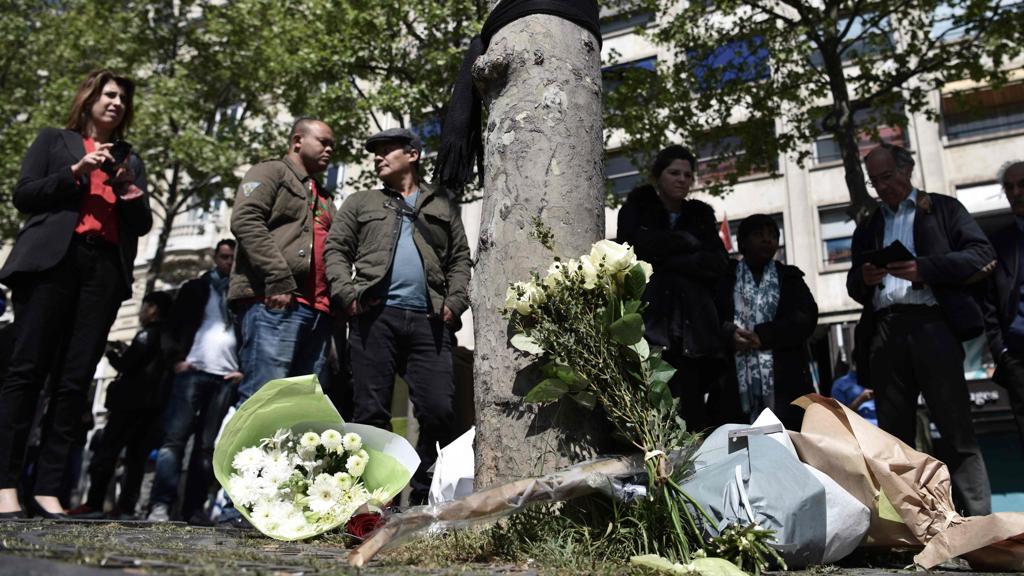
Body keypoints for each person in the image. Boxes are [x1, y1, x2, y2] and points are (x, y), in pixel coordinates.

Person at [0, 69, 152, 519]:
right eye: (109, 94)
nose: (116, 102)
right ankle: (5, 485)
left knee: (74, 382)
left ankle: (48, 490)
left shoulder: (131, 160)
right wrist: (74, 172)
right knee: (26, 374)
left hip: (102, 272)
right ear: (88, 99)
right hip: (52, 264)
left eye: (122, 97)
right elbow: (24, 195)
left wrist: (123, 182)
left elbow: (141, 224)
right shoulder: (55, 141)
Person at [324, 127, 472, 504]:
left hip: (429, 321)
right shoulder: (360, 202)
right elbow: (336, 250)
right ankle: (372, 502)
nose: (378, 158)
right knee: (370, 413)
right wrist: (348, 295)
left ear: (413, 155)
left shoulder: (442, 205)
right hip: (375, 317)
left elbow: (459, 261)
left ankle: (421, 498)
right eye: (375, 153)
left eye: (387, 151)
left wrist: (454, 303)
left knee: (439, 410)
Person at [847, 142, 994, 516]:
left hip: (933, 327)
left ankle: (979, 523)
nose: (882, 187)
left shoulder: (943, 208)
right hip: (884, 332)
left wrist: (925, 268)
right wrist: (864, 278)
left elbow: (981, 254)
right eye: (875, 181)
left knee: (956, 429)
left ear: (907, 168)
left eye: (888, 177)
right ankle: (905, 526)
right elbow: (854, 286)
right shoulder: (869, 224)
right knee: (892, 438)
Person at [616, 145, 729, 433]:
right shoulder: (635, 210)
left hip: (694, 330)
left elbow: (717, 263)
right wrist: (687, 244)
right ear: (658, 176)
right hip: (652, 323)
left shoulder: (701, 216)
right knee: (655, 407)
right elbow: (633, 251)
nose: (682, 180)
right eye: (674, 173)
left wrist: (667, 255)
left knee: (694, 412)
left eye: (688, 175)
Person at [229, 118, 336, 403]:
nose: (329, 151)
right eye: (323, 142)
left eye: (332, 146)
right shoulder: (270, 171)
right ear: (297, 141)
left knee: (299, 412)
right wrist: (277, 278)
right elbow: (245, 221)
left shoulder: (325, 197)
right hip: (276, 303)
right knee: (264, 402)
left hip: (318, 312)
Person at [146, 239, 243, 523]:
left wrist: (242, 370)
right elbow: (172, 326)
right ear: (216, 258)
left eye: (233, 258)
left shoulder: (241, 295)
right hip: (192, 372)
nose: (228, 262)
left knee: (207, 447)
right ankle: (161, 504)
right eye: (224, 257)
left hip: (225, 377)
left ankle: (194, 509)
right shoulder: (195, 289)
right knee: (173, 442)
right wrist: (175, 360)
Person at [68, 291, 173, 519]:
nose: (141, 311)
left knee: (107, 452)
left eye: (144, 306)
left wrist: (111, 354)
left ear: (153, 308)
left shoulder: (147, 335)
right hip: (151, 407)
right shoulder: (168, 336)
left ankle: (94, 503)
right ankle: (126, 507)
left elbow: (128, 366)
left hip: (130, 404)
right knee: (136, 459)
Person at [713, 214, 818, 429]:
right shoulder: (724, 279)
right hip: (734, 385)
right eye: (759, 235)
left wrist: (763, 336)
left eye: (772, 235)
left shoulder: (789, 278)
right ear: (742, 242)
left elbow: (806, 319)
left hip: (784, 384)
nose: (767, 240)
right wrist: (730, 334)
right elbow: (710, 319)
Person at [978, 160, 1024, 449]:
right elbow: (988, 303)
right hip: (1018, 357)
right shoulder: (998, 243)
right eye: (1009, 187)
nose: (1016, 192)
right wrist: (1002, 352)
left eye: (1023, 185)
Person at [830, 355, 877, 426]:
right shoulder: (840, 384)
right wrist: (860, 400)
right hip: (862, 431)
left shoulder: (878, 380)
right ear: (855, 363)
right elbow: (839, 416)